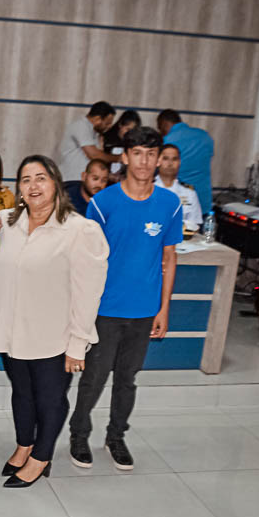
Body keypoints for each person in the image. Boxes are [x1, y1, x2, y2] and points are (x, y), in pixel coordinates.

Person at [69, 126, 183, 471]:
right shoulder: (104, 203)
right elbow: (88, 259)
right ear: (125, 156)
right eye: (138, 153)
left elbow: (169, 259)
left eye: (152, 154)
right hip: (105, 308)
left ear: (159, 158)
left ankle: (116, 436)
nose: (145, 161)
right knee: (94, 378)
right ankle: (78, 434)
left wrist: (163, 308)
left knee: (127, 380)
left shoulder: (169, 203)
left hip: (144, 309)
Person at [0, 155, 108, 487]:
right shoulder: (6, 223)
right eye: (26, 179)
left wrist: (78, 345)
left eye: (40, 177)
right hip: (13, 332)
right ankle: (23, 445)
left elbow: (88, 294)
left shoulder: (80, 230)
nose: (33, 186)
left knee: (49, 399)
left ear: (57, 182)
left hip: (53, 337)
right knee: (22, 394)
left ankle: (41, 458)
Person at [157, 109, 215, 214]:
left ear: (164, 124)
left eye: (160, 128)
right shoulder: (205, 136)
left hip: (179, 205)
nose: (161, 133)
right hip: (203, 203)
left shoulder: (167, 141)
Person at [56, 101, 116, 185]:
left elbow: (95, 163)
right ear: (98, 119)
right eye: (107, 123)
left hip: (82, 181)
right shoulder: (81, 126)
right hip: (71, 180)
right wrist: (118, 158)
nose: (109, 127)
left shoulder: (95, 132)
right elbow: (94, 155)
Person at [155, 144, 203, 232]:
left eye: (174, 159)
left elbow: (195, 224)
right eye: (165, 159)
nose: (170, 163)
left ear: (179, 162)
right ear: (158, 161)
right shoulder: (148, 189)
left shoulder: (189, 193)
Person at [103, 109, 142, 176]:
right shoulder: (105, 139)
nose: (129, 133)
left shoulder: (135, 143)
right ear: (120, 125)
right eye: (127, 129)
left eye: (133, 131)